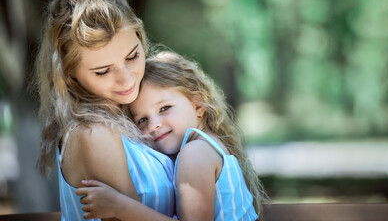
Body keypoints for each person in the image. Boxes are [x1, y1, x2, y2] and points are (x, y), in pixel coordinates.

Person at [35, 0, 176, 220]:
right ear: (70, 75)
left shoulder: (135, 115)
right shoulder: (94, 134)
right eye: (103, 71)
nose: (127, 79)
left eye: (133, 56)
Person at [76, 51, 267, 220]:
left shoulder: (195, 154)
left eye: (164, 108)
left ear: (198, 105)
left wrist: (120, 207)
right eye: (142, 120)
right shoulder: (206, 147)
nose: (154, 124)